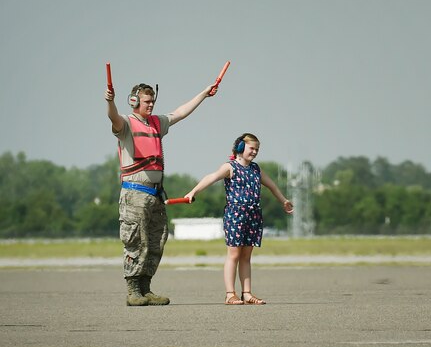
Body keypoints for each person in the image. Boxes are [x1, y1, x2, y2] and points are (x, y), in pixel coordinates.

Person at [105, 81, 218, 306]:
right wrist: (110, 101)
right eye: (147, 101)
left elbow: (180, 112)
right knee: (135, 241)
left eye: (153, 101)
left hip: (155, 195)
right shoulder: (126, 123)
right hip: (134, 193)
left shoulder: (156, 123)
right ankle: (133, 290)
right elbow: (113, 117)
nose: (151, 105)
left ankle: (146, 288)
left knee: (156, 241)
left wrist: (204, 93)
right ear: (134, 101)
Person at [184, 133, 293, 305]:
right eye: (252, 148)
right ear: (241, 148)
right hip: (236, 215)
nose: (255, 152)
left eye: (257, 149)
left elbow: (271, 185)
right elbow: (211, 178)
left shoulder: (256, 169)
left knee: (246, 256)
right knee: (234, 254)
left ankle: (247, 293)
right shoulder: (230, 167)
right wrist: (193, 192)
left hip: (253, 215)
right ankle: (230, 294)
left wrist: (283, 200)